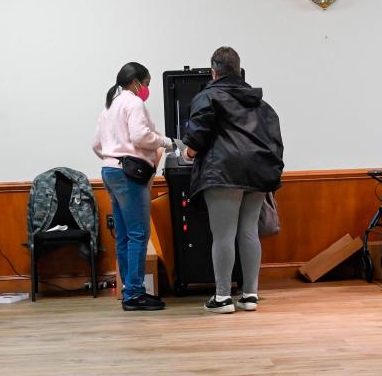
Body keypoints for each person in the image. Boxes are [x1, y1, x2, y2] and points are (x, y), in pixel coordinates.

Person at [182, 47, 284, 314]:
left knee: (224, 234)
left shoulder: (209, 95)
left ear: (214, 71)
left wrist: (189, 151)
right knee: (249, 231)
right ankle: (250, 295)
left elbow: (199, 131)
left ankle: (223, 298)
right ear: (239, 70)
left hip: (224, 171)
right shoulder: (261, 103)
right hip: (259, 171)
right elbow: (275, 141)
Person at [93, 62, 175, 312]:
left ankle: (129, 290)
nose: (146, 90)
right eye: (147, 84)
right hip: (130, 174)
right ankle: (135, 293)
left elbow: (96, 144)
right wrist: (166, 143)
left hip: (109, 171)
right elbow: (141, 137)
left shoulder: (109, 106)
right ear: (136, 82)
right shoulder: (134, 103)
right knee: (139, 233)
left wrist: (114, 157)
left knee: (125, 234)